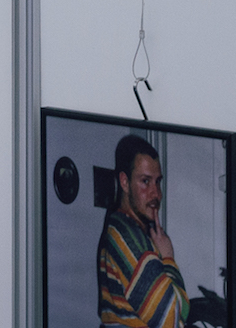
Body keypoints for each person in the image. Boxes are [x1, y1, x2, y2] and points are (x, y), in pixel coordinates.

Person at [97, 135, 187, 328]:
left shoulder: (130, 229)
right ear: (124, 182)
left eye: (158, 182)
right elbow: (172, 321)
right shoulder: (128, 238)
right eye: (145, 181)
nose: (156, 194)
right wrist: (168, 259)